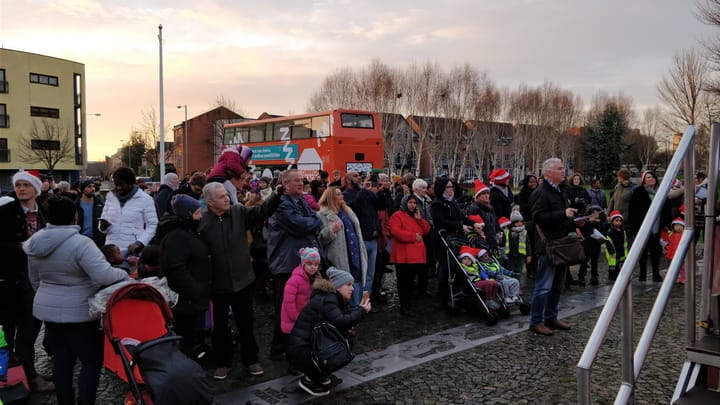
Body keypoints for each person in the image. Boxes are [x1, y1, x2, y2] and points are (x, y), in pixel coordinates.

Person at [24, 196, 129, 405]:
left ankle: (65, 401)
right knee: (90, 361)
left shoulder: (34, 243)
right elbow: (103, 275)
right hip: (81, 314)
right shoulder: (81, 243)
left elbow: (34, 280)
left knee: (62, 362)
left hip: (49, 313)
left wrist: (49, 297)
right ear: (74, 216)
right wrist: (123, 275)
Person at [198, 182, 279, 380]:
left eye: (226, 195)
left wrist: (276, 195)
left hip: (243, 281)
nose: (227, 198)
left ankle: (251, 360)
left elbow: (261, 212)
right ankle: (223, 362)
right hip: (217, 285)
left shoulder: (238, 212)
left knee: (246, 323)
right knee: (219, 327)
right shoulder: (202, 222)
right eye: (221, 196)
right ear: (210, 202)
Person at [0, 170, 54, 392]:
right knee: (9, 332)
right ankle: (12, 378)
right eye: (18, 185)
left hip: (37, 279)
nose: (20, 188)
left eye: (25, 185)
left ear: (35, 188)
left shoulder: (43, 211)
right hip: (10, 280)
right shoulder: (5, 212)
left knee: (29, 329)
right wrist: (19, 247)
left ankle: (27, 371)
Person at [529, 158, 591, 336]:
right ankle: (536, 322)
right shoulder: (541, 192)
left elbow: (564, 217)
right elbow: (538, 218)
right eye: (559, 168)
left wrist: (576, 222)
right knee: (543, 286)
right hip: (548, 245)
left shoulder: (561, 191)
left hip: (562, 243)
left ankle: (551, 317)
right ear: (548, 172)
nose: (564, 171)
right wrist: (562, 213)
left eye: (563, 168)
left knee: (558, 286)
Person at [286, 267, 371, 397]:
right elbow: (341, 321)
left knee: (347, 339)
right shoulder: (329, 299)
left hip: (303, 347)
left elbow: (339, 323)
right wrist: (361, 311)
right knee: (345, 344)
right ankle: (310, 379)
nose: (352, 288)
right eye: (348, 285)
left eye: (352, 285)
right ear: (337, 287)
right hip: (302, 351)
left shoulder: (331, 298)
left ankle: (320, 374)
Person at [265, 169, 323, 358]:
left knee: (302, 304)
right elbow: (301, 225)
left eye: (302, 180)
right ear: (285, 184)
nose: (301, 183)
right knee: (285, 306)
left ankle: (295, 344)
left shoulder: (300, 201)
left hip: (302, 263)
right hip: (287, 263)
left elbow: (314, 221)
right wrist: (313, 220)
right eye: (296, 181)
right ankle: (280, 348)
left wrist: (313, 220)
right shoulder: (282, 204)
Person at [157, 195, 212, 358]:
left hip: (193, 297)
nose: (200, 216)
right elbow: (176, 268)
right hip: (187, 301)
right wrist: (196, 290)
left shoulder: (188, 231)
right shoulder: (178, 236)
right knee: (188, 337)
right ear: (187, 215)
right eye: (196, 213)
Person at [430, 176, 484, 309]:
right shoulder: (437, 203)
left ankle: (459, 293)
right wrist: (459, 225)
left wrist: (473, 223)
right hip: (443, 240)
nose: (450, 190)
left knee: (458, 267)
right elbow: (440, 222)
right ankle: (445, 297)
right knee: (445, 268)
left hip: (455, 239)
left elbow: (461, 217)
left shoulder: (452, 201)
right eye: (448, 187)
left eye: (451, 187)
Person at [317, 186, 368, 307]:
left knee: (356, 284)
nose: (342, 196)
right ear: (331, 198)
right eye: (338, 194)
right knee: (344, 289)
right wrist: (331, 230)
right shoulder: (322, 215)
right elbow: (320, 239)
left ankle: (356, 310)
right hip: (339, 258)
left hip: (354, 255)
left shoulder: (346, 212)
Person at [388, 194, 431, 317]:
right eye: (410, 202)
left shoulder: (416, 217)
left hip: (415, 255)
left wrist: (419, 219)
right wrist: (413, 237)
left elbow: (427, 229)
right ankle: (404, 305)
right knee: (404, 282)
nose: (412, 205)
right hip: (403, 255)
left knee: (411, 281)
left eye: (414, 203)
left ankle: (408, 304)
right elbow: (396, 232)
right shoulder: (397, 216)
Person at [342, 171, 380, 310]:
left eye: (359, 176)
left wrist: (382, 191)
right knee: (360, 275)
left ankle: (366, 303)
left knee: (370, 275)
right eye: (355, 176)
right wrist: (364, 190)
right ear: (347, 181)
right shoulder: (346, 195)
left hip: (373, 238)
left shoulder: (365, 192)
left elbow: (379, 205)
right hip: (361, 240)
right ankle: (357, 304)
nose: (359, 178)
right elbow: (355, 206)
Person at [99, 167, 158, 257]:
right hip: (111, 252)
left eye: (122, 184)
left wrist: (140, 243)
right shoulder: (110, 197)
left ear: (130, 183)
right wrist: (102, 226)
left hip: (132, 252)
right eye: (116, 184)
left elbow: (153, 225)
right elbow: (103, 219)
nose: (118, 188)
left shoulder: (145, 199)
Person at [629, 170, 671, 282]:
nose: (651, 179)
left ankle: (656, 273)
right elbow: (633, 210)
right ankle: (642, 274)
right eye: (648, 177)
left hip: (658, 225)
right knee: (643, 251)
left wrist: (666, 224)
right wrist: (635, 227)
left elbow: (667, 208)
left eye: (652, 177)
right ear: (644, 180)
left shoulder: (661, 191)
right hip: (643, 226)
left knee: (656, 251)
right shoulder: (639, 192)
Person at [280, 247, 322, 338]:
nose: (313, 267)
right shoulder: (294, 280)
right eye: (309, 264)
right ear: (303, 264)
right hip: (294, 321)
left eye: (316, 264)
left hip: (306, 320)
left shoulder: (317, 279)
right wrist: (296, 317)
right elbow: (288, 302)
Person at [515, 174, 539, 279]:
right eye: (531, 181)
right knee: (529, 247)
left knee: (537, 247)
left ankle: (536, 268)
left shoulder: (539, 192)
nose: (533, 183)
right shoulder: (523, 193)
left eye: (535, 181)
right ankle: (530, 270)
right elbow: (524, 207)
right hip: (528, 221)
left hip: (538, 221)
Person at [75, 179, 105, 247]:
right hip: (80, 240)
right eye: (89, 186)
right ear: (82, 189)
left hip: (97, 241)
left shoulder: (100, 205)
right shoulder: (76, 205)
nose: (92, 189)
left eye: (93, 186)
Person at [505, 210, 531, 279]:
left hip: (520, 255)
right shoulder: (508, 231)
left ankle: (517, 286)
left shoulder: (524, 232)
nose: (519, 223)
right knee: (510, 271)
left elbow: (527, 244)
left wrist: (529, 255)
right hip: (510, 255)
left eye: (520, 222)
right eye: (517, 222)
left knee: (518, 271)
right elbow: (504, 241)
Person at [608, 168, 634, 235]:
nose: (617, 178)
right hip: (615, 217)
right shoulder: (617, 187)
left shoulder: (632, 188)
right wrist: (608, 213)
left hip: (626, 220)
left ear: (623, 177)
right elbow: (612, 201)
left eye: (619, 176)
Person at [604, 211, 628, 282]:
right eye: (616, 220)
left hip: (622, 254)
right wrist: (611, 252)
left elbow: (625, 243)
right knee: (613, 271)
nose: (618, 222)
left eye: (620, 221)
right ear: (612, 222)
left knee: (620, 271)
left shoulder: (623, 231)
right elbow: (608, 244)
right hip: (613, 255)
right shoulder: (610, 232)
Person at [666, 217, 686, 284]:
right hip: (673, 254)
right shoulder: (672, 235)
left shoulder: (684, 235)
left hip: (681, 254)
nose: (678, 227)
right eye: (676, 225)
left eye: (680, 226)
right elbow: (670, 244)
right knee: (673, 267)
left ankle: (682, 278)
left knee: (682, 267)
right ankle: (674, 278)